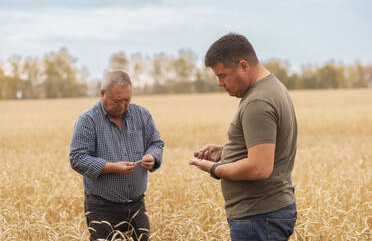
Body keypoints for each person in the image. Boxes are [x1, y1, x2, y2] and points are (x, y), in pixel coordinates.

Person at [189, 33, 298, 241]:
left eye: (222, 76)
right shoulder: (273, 88)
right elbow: (267, 148)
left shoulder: (258, 102)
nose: (220, 84)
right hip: (266, 215)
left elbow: (259, 167)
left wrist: (214, 169)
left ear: (244, 66)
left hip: (258, 217)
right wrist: (226, 152)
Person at [70, 69, 164, 241]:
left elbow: (156, 144)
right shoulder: (88, 120)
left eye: (127, 100)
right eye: (117, 100)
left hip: (137, 205)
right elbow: (77, 158)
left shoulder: (142, 115)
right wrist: (111, 167)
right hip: (102, 207)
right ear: (102, 94)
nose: (123, 105)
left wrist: (152, 156)